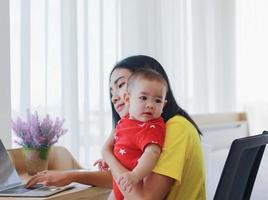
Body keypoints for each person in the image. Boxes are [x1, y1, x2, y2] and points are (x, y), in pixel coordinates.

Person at [26, 55, 206, 200]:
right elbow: (125, 179)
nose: (115, 97)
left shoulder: (176, 128)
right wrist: (72, 176)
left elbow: (142, 197)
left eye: (120, 85)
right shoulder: (153, 129)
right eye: (111, 91)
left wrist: (107, 153)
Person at [96, 68, 168, 199]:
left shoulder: (152, 126)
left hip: (134, 185)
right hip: (120, 186)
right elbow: (123, 147)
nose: (150, 105)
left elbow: (152, 153)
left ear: (164, 105)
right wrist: (107, 159)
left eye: (157, 100)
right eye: (143, 98)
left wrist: (136, 175)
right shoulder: (124, 122)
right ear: (128, 98)